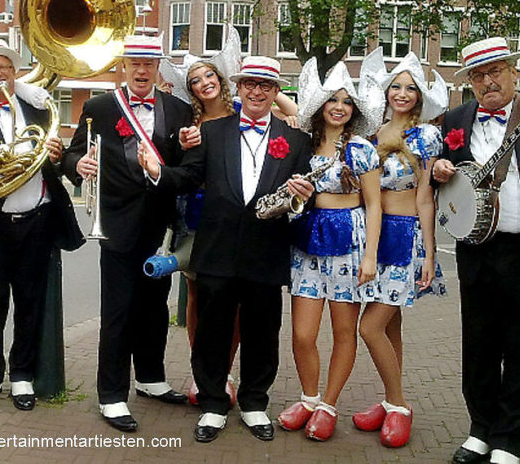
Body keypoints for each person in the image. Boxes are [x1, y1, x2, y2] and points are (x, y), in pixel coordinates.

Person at [139, 55, 314, 443]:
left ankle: (254, 403)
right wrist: (157, 172)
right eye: (250, 83)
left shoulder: (297, 141)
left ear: (275, 93)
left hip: (266, 252)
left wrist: (301, 198)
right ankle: (213, 404)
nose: (256, 91)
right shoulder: (213, 131)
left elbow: (304, 202)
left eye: (265, 86)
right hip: (216, 249)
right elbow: (188, 177)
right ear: (239, 87)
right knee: (211, 333)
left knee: (263, 332)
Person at [61, 34, 192, 432]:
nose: (140, 70)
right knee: (118, 312)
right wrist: (77, 165)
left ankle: (150, 379)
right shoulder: (100, 107)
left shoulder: (179, 109)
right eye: (134, 62)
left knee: (155, 308)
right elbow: (72, 154)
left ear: (157, 69)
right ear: (124, 65)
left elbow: (185, 169)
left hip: (161, 227)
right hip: (116, 225)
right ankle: (112, 395)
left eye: (148, 64)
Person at [433, 37, 520, 464]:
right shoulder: (457, 119)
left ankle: (509, 441)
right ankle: (480, 429)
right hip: (477, 249)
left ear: (513, 72)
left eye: (495, 71)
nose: (488, 81)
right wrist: (438, 168)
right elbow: (447, 178)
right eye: (478, 76)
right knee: (478, 344)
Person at [0, 38, 83, 412]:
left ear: (14, 73)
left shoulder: (37, 108)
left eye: (5, 67)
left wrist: (55, 155)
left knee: (30, 303)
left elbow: (49, 155)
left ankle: (23, 376)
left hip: (37, 220)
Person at [277, 58, 383, 442]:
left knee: (343, 331)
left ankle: (329, 404)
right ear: (321, 106)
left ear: (354, 110)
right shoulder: (302, 144)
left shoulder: (361, 150)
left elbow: (374, 204)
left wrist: (370, 255)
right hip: (307, 241)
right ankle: (308, 397)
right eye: (332, 100)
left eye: (347, 102)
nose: (339, 107)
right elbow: (279, 103)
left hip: (348, 242)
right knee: (303, 334)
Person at [351, 48, 448, 448]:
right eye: (397, 87)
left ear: (420, 98)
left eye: (410, 89)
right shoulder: (373, 134)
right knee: (390, 326)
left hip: (405, 237)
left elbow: (426, 198)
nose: (403, 94)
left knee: (369, 326)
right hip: (374, 234)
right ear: (386, 91)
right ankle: (390, 403)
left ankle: (399, 403)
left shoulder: (424, 136)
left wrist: (430, 252)